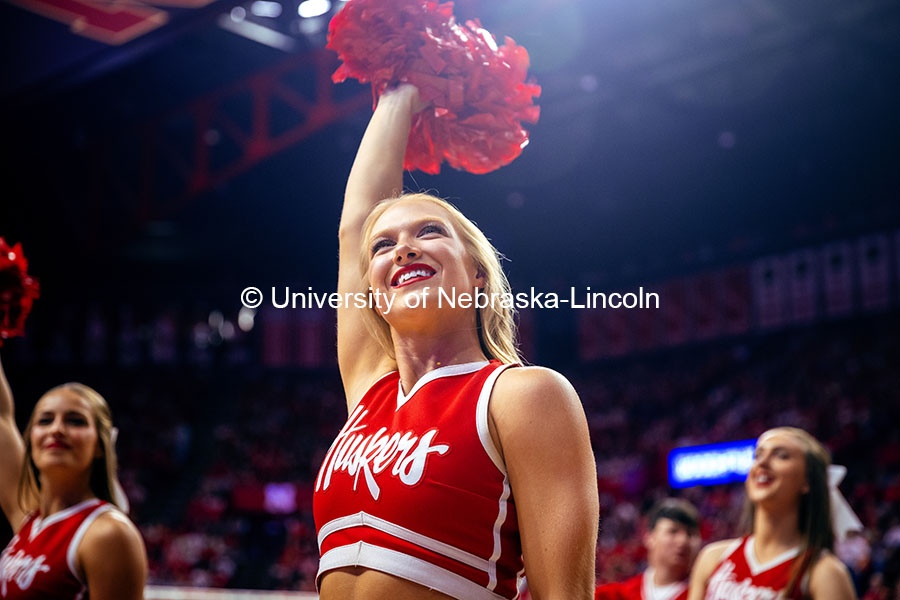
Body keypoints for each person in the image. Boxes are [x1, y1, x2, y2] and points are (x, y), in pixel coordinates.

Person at [312, 82, 599, 600]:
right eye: (385, 245)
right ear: (373, 293)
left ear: (476, 277)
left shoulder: (523, 395)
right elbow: (354, 227)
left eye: (429, 232)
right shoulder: (370, 390)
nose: (403, 249)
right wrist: (401, 92)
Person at [0, 353, 147, 599]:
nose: (56, 429)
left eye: (75, 421)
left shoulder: (108, 534)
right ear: (31, 438)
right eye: (45, 420)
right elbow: (2, 418)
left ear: (100, 445)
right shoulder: (29, 519)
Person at [688, 427, 857, 600]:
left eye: (781, 455)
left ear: (807, 481)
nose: (762, 463)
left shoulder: (824, 573)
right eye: (758, 455)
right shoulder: (713, 558)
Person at [595, 499, 701, 600]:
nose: (683, 540)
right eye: (673, 531)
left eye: (690, 534)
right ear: (649, 537)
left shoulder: (708, 593)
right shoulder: (614, 595)